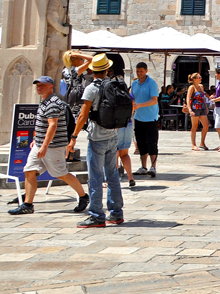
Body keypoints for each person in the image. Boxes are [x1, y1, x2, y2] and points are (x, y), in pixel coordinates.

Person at [8, 76, 89, 216]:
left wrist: (44, 146)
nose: (39, 87)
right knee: (29, 170)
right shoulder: (44, 101)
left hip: (52, 146)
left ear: (50, 86)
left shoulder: (53, 103)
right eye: (37, 85)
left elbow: (52, 125)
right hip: (40, 144)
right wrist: (36, 139)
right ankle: (27, 204)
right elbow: (42, 124)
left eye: (42, 85)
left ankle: (83, 196)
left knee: (61, 174)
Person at [67, 53, 124, 228]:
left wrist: (74, 137)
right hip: (112, 136)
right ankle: (116, 213)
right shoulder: (114, 86)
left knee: (95, 177)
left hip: (97, 137)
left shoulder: (91, 88)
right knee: (112, 174)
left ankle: (96, 215)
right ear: (107, 70)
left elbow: (83, 115)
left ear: (92, 70)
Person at [130, 62, 160, 179]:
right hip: (138, 117)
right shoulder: (134, 84)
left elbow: (154, 100)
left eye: (141, 71)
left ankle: (153, 167)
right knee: (141, 143)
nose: (139, 73)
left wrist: (139, 105)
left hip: (151, 117)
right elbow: (132, 97)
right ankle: (143, 166)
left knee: (152, 142)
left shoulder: (152, 83)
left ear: (146, 71)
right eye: (137, 71)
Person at [61, 50, 92, 118]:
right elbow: (92, 59)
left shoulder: (65, 70)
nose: (84, 61)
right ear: (78, 59)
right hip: (77, 97)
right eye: (82, 59)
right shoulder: (75, 70)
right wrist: (79, 55)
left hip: (69, 96)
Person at [186, 72, 210, 151]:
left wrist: (206, 107)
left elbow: (203, 98)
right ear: (194, 79)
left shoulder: (201, 86)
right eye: (199, 77)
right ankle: (193, 144)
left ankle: (202, 143)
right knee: (194, 127)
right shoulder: (191, 87)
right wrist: (190, 110)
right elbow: (188, 99)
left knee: (206, 125)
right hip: (194, 108)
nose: (201, 78)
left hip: (202, 108)